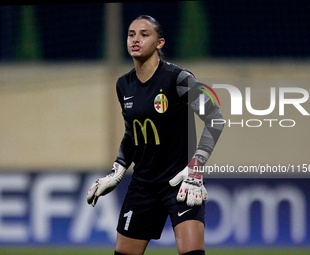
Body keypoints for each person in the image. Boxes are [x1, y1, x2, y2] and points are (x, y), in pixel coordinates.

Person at [87, 15, 224, 255]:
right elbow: (132, 133)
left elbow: (215, 118)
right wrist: (118, 170)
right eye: (131, 34)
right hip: (143, 185)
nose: (135, 40)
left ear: (160, 43)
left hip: (181, 182)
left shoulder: (180, 79)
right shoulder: (123, 85)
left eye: (144, 34)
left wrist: (196, 165)